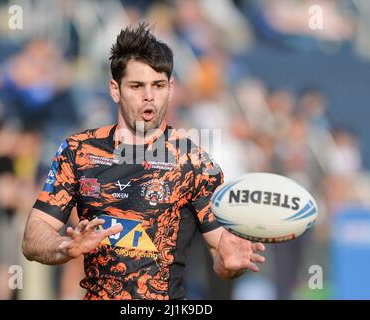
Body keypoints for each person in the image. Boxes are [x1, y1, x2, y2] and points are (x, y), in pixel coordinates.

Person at [22, 22, 266, 300]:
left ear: (171, 88)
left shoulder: (195, 163)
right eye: (137, 86)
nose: (149, 96)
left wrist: (229, 264)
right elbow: (33, 237)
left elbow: (221, 255)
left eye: (158, 86)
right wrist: (66, 246)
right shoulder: (78, 151)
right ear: (115, 90)